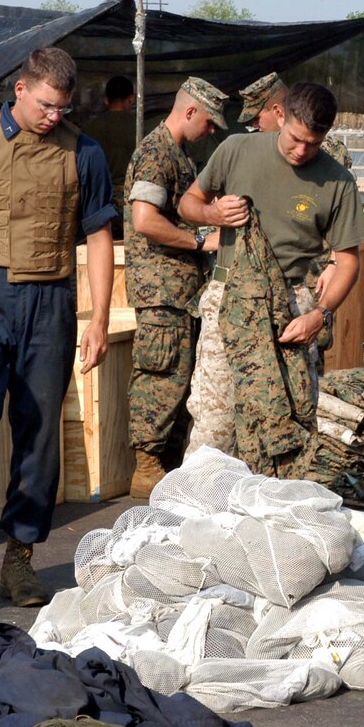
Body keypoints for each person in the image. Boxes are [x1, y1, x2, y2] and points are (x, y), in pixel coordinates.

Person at [0, 47, 115, 607]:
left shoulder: (85, 152)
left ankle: (19, 555)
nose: (53, 116)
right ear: (21, 90)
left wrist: (99, 319)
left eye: (62, 107)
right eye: (45, 105)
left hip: (49, 304)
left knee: (39, 437)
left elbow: (99, 237)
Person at [179, 82, 364, 473]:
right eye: (296, 139)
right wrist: (213, 214)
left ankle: (272, 508)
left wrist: (321, 314)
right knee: (214, 425)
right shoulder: (236, 150)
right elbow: (188, 203)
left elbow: (349, 261)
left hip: (291, 307)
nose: (302, 151)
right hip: (229, 298)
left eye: (313, 144)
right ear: (281, 115)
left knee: (286, 428)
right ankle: (195, 505)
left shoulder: (337, 181)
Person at [123, 77, 228, 497]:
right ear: (189, 111)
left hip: (179, 291)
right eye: (209, 121)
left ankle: (165, 466)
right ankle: (146, 466)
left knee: (179, 379)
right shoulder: (156, 153)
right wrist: (199, 241)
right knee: (160, 377)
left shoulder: (178, 154)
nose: (212, 130)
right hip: (161, 291)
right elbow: (145, 220)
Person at [237, 72, 348, 372]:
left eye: (257, 118)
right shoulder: (252, 151)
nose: (255, 126)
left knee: (308, 356)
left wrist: (334, 263)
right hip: (266, 283)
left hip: (311, 273)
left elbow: (342, 218)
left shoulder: (327, 154)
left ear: (277, 111)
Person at [84, 75, 136, 239]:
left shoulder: (88, 129)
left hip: (99, 200)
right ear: (131, 98)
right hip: (131, 198)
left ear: (106, 100)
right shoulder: (141, 127)